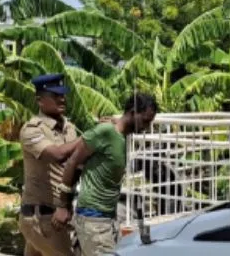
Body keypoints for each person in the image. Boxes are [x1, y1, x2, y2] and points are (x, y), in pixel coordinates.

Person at [53, 92, 159, 256]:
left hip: (108, 219)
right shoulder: (105, 132)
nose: (146, 127)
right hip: (93, 219)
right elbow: (72, 162)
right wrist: (62, 205)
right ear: (132, 112)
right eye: (145, 120)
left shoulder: (122, 137)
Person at [18, 74, 82, 256]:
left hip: (56, 216)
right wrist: (89, 137)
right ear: (40, 101)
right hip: (40, 218)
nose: (61, 99)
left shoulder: (69, 128)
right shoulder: (32, 130)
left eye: (62, 94)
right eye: (55, 96)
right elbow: (57, 155)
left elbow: (75, 164)